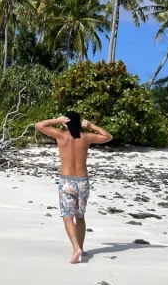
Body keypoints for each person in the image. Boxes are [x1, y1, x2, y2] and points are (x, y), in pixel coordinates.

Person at [34, 111, 113, 264]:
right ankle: (81, 249)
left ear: (66, 122)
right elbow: (108, 137)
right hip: (83, 182)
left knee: (67, 216)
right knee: (80, 216)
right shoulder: (86, 137)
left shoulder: (61, 135)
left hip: (67, 182)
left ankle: (76, 247)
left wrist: (57, 120)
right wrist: (91, 125)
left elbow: (39, 125)